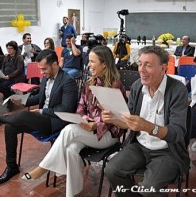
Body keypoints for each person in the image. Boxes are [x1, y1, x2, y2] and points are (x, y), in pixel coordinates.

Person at [22, 45, 126, 196]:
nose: (89, 65)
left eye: (92, 61)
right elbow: (80, 106)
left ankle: (43, 168)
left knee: (69, 130)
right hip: (88, 131)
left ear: (104, 64)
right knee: (71, 149)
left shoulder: (115, 86)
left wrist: (95, 125)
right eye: (89, 61)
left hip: (107, 135)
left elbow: (116, 117)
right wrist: (83, 120)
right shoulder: (90, 83)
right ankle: (73, 193)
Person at [103, 46, 190, 197]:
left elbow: (177, 133)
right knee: (111, 170)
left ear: (163, 68)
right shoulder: (137, 86)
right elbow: (130, 122)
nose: (141, 69)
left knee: (149, 187)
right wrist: (116, 120)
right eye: (140, 63)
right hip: (139, 146)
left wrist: (148, 127)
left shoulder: (177, 90)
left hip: (168, 151)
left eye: (148, 65)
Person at [0, 49, 78, 185]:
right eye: (40, 69)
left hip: (56, 122)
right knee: (10, 127)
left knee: (26, 115)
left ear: (55, 64)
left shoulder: (68, 81)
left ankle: (0, 119)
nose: (41, 73)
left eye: (44, 69)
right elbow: (40, 97)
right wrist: (22, 99)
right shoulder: (46, 77)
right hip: (42, 118)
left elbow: (66, 109)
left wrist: (41, 111)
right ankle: (12, 167)